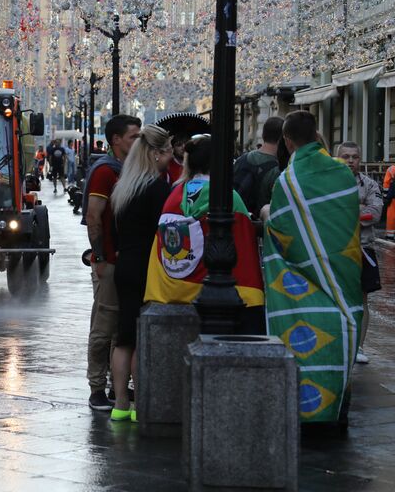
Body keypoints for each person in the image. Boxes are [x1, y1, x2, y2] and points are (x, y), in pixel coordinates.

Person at [262, 110, 362, 426]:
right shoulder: (343, 172)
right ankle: (341, 405)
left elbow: (282, 229)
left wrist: (266, 215)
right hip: (345, 271)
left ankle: (312, 407)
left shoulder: (288, 182)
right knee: (347, 328)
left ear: (288, 142)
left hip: (310, 275)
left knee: (312, 333)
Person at [144, 135, 265, 334]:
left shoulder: (175, 194)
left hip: (169, 288)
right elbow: (244, 245)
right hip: (208, 294)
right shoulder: (227, 197)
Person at [109, 125, 172, 421]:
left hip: (125, 264)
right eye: (169, 151)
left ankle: (121, 404)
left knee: (124, 337)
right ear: (156, 153)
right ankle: (141, 405)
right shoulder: (157, 187)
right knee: (141, 338)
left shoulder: (124, 187)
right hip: (147, 266)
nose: (172, 157)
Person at [82, 114, 142, 411]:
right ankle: (96, 387)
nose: (138, 141)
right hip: (109, 262)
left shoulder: (127, 169)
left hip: (124, 260)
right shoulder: (106, 171)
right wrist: (101, 257)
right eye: (133, 136)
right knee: (104, 327)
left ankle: (113, 386)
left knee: (120, 327)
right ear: (116, 140)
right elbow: (94, 217)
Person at [336, 142, 383, 364]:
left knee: (361, 298)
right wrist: (359, 207)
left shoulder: (370, 184)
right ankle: (340, 342)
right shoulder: (329, 185)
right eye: (346, 156)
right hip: (336, 248)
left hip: (364, 248)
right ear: (338, 158)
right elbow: (326, 212)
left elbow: (374, 214)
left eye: (354, 156)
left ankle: (360, 346)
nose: (350, 160)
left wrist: (346, 211)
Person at [232, 116, 283, 217]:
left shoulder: (241, 159)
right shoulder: (277, 171)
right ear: (282, 139)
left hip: (235, 221)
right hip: (257, 227)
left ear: (263, 135)